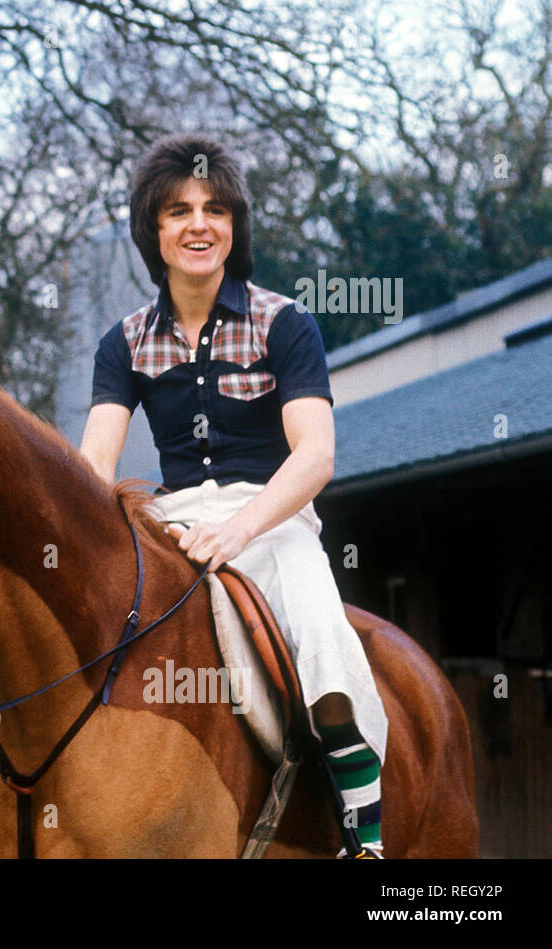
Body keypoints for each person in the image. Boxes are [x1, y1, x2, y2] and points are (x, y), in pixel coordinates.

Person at [79, 134, 388, 858]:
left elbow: (316, 454)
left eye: (215, 209)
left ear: (235, 226)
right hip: (172, 523)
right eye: (178, 209)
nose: (198, 223)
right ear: (151, 229)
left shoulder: (285, 322)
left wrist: (239, 530)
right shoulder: (120, 344)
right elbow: (95, 463)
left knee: (320, 633)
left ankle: (363, 832)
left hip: (274, 522)